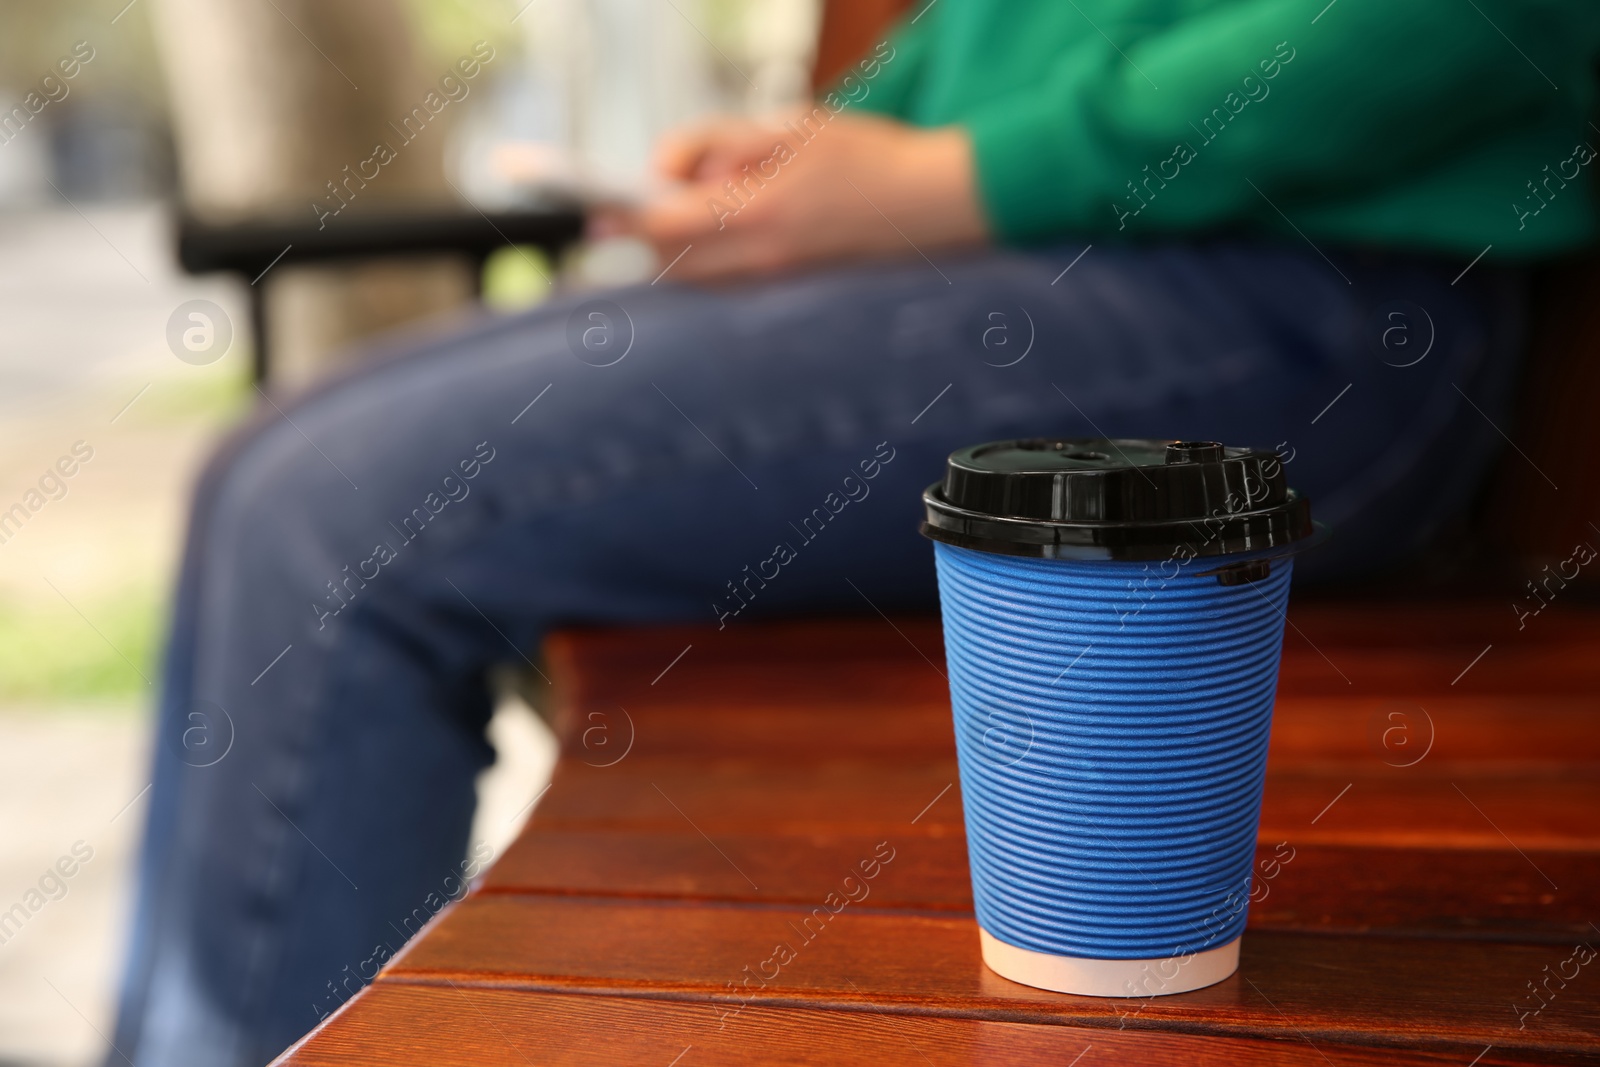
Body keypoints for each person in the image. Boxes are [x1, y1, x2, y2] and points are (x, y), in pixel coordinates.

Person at [110, 2, 1599, 1063]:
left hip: (1302, 291)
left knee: (335, 513)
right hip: (1014, 260)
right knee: (274, 472)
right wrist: (827, 155)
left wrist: (945, 179)